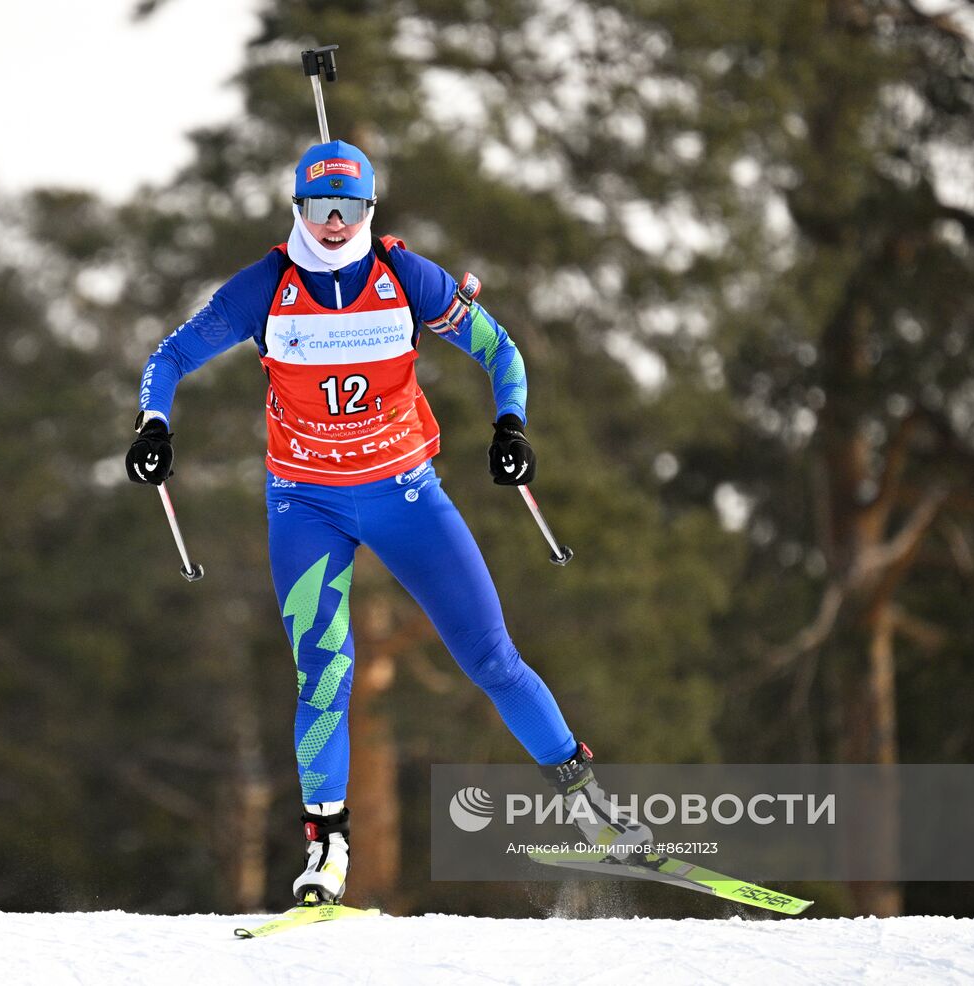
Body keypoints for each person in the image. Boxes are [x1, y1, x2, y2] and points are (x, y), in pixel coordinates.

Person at [127, 139, 646, 905]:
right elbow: (169, 356)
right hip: (306, 503)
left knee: (492, 657)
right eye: (317, 208)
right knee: (324, 673)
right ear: (296, 210)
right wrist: (153, 424)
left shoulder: (405, 276)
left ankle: (588, 804)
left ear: (370, 211)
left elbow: (499, 348)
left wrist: (511, 427)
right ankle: (326, 851)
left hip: (405, 493)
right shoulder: (264, 287)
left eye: (348, 209)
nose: (333, 224)